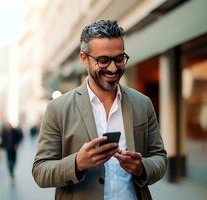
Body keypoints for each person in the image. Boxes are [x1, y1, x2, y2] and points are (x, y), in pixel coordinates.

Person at [32, 19, 167, 200]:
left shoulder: (143, 103)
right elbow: (40, 171)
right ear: (84, 59)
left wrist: (142, 167)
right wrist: (77, 163)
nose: (113, 68)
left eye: (119, 59)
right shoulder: (57, 109)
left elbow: (160, 158)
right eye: (103, 60)